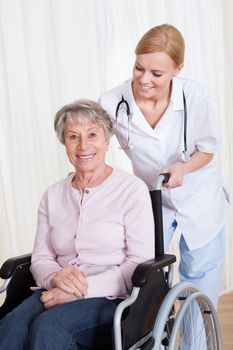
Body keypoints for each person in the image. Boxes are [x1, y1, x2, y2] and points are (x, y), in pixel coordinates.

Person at [0, 100, 154, 349]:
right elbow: (41, 257)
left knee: (49, 327)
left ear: (107, 141)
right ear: (65, 144)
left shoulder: (131, 190)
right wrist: (54, 279)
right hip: (55, 288)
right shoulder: (52, 195)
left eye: (92, 134)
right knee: (11, 326)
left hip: (110, 296)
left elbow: (138, 262)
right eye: (73, 137)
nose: (83, 146)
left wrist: (82, 289)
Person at [99, 23, 230, 309]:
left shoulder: (194, 96)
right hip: (152, 199)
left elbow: (208, 150)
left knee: (198, 283)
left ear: (177, 69)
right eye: (139, 68)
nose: (144, 79)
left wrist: (183, 168)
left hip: (199, 197)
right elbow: (97, 146)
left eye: (156, 73)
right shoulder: (112, 102)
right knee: (142, 274)